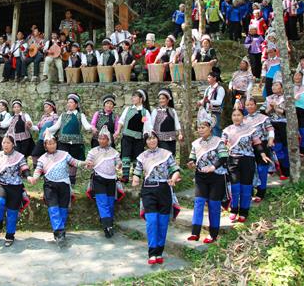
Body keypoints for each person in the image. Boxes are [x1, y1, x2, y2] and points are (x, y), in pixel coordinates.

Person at [132, 131, 181, 265]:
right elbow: (137, 171)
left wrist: (174, 178)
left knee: (163, 222)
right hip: (148, 189)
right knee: (152, 220)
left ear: (157, 139)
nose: (151, 141)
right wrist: (135, 179)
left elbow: (175, 169)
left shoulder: (166, 154)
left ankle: (159, 251)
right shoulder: (142, 156)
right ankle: (152, 252)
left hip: (164, 189)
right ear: (146, 141)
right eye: (149, 139)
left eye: (153, 138)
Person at [29, 132, 86, 245]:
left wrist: (85, 163)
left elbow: (75, 162)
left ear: (56, 143)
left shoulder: (64, 154)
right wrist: (34, 178)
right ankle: (59, 232)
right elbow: (37, 171)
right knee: (54, 209)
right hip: (50, 186)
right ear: (45, 146)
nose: (52, 145)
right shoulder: (42, 159)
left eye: (53, 143)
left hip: (64, 185)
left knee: (63, 210)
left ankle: (60, 231)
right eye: (49, 144)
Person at [223, 108, 270, 222]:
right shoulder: (227, 130)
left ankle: (244, 212)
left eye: (238, 115)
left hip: (247, 161)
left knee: (246, 187)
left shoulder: (250, 129)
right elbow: (221, 145)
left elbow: (257, 143)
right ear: (232, 117)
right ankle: (234, 209)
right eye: (234, 115)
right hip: (233, 161)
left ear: (243, 117)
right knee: (235, 187)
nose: (236, 117)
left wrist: (263, 154)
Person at [186, 113, 227, 243]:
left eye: (203, 127)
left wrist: (213, 167)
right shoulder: (196, 143)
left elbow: (224, 157)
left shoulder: (218, 141)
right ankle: (195, 232)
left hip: (216, 176)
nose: (201, 129)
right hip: (201, 177)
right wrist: (191, 163)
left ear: (210, 128)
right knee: (199, 202)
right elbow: (192, 157)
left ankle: (213, 234)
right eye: (199, 127)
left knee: (214, 204)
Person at [45, 93, 92, 185]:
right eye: (68, 102)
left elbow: (86, 126)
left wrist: (91, 128)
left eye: (71, 102)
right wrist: (47, 130)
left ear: (76, 104)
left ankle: (72, 181)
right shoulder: (63, 115)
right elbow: (56, 126)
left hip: (76, 142)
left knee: (73, 161)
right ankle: (61, 179)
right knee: (62, 160)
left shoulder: (80, 115)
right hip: (63, 141)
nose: (69, 104)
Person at [85, 126, 122, 238]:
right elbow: (87, 164)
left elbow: (118, 163)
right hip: (98, 179)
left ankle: (107, 222)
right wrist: (88, 165)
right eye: (100, 138)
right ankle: (107, 226)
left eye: (104, 138)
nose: (101, 140)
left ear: (108, 140)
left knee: (110, 203)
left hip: (111, 180)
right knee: (102, 202)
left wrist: (119, 165)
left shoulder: (114, 152)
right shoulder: (93, 151)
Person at [114, 89, 152, 182]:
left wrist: (148, 137)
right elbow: (121, 121)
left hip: (138, 138)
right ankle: (125, 177)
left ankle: (136, 177)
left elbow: (147, 126)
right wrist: (118, 131)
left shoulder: (144, 112)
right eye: (133, 96)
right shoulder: (128, 109)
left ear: (141, 99)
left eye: (135, 96)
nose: (133, 98)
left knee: (137, 158)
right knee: (125, 156)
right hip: (127, 137)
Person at [243, 98, 275, 202]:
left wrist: (270, 140)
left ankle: (261, 192)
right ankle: (251, 191)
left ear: (255, 105)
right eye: (247, 105)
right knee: (250, 169)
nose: (249, 106)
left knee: (262, 169)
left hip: (263, 144)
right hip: (249, 147)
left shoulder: (263, 118)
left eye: (251, 104)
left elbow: (270, 129)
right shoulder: (243, 119)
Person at [266, 82, 289, 180]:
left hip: (283, 124)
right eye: (272, 85)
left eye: (276, 85)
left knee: (284, 147)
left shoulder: (287, 97)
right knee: (276, 147)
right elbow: (265, 112)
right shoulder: (269, 98)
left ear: (282, 87)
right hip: (272, 124)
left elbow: (287, 112)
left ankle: (285, 171)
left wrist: (276, 107)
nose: (273, 87)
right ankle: (275, 169)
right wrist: (270, 108)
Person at [151, 88, 183, 152]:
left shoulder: (172, 111)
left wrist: (180, 133)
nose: (161, 100)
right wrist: (151, 135)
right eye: (160, 99)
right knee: (165, 154)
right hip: (160, 139)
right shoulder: (155, 111)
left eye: (163, 98)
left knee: (172, 155)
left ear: (168, 100)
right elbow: (151, 124)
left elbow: (176, 123)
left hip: (172, 138)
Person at [31, 100, 59, 167]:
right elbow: (38, 128)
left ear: (52, 107)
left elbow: (56, 127)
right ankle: (38, 170)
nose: (45, 109)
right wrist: (31, 126)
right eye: (44, 107)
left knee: (50, 156)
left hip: (50, 140)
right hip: (41, 139)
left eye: (46, 107)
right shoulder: (43, 117)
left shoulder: (55, 116)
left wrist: (48, 133)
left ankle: (48, 170)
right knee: (34, 154)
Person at [198, 70, 225, 137]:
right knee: (207, 129)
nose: (208, 79)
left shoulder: (220, 89)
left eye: (209, 77)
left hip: (215, 113)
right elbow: (205, 99)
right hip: (207, 112)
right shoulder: (208, 89)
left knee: (215, 128)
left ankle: (218, 144)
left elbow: (219, 102)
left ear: (215, 78)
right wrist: (201, 102)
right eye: (208, 78)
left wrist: (209, 101)